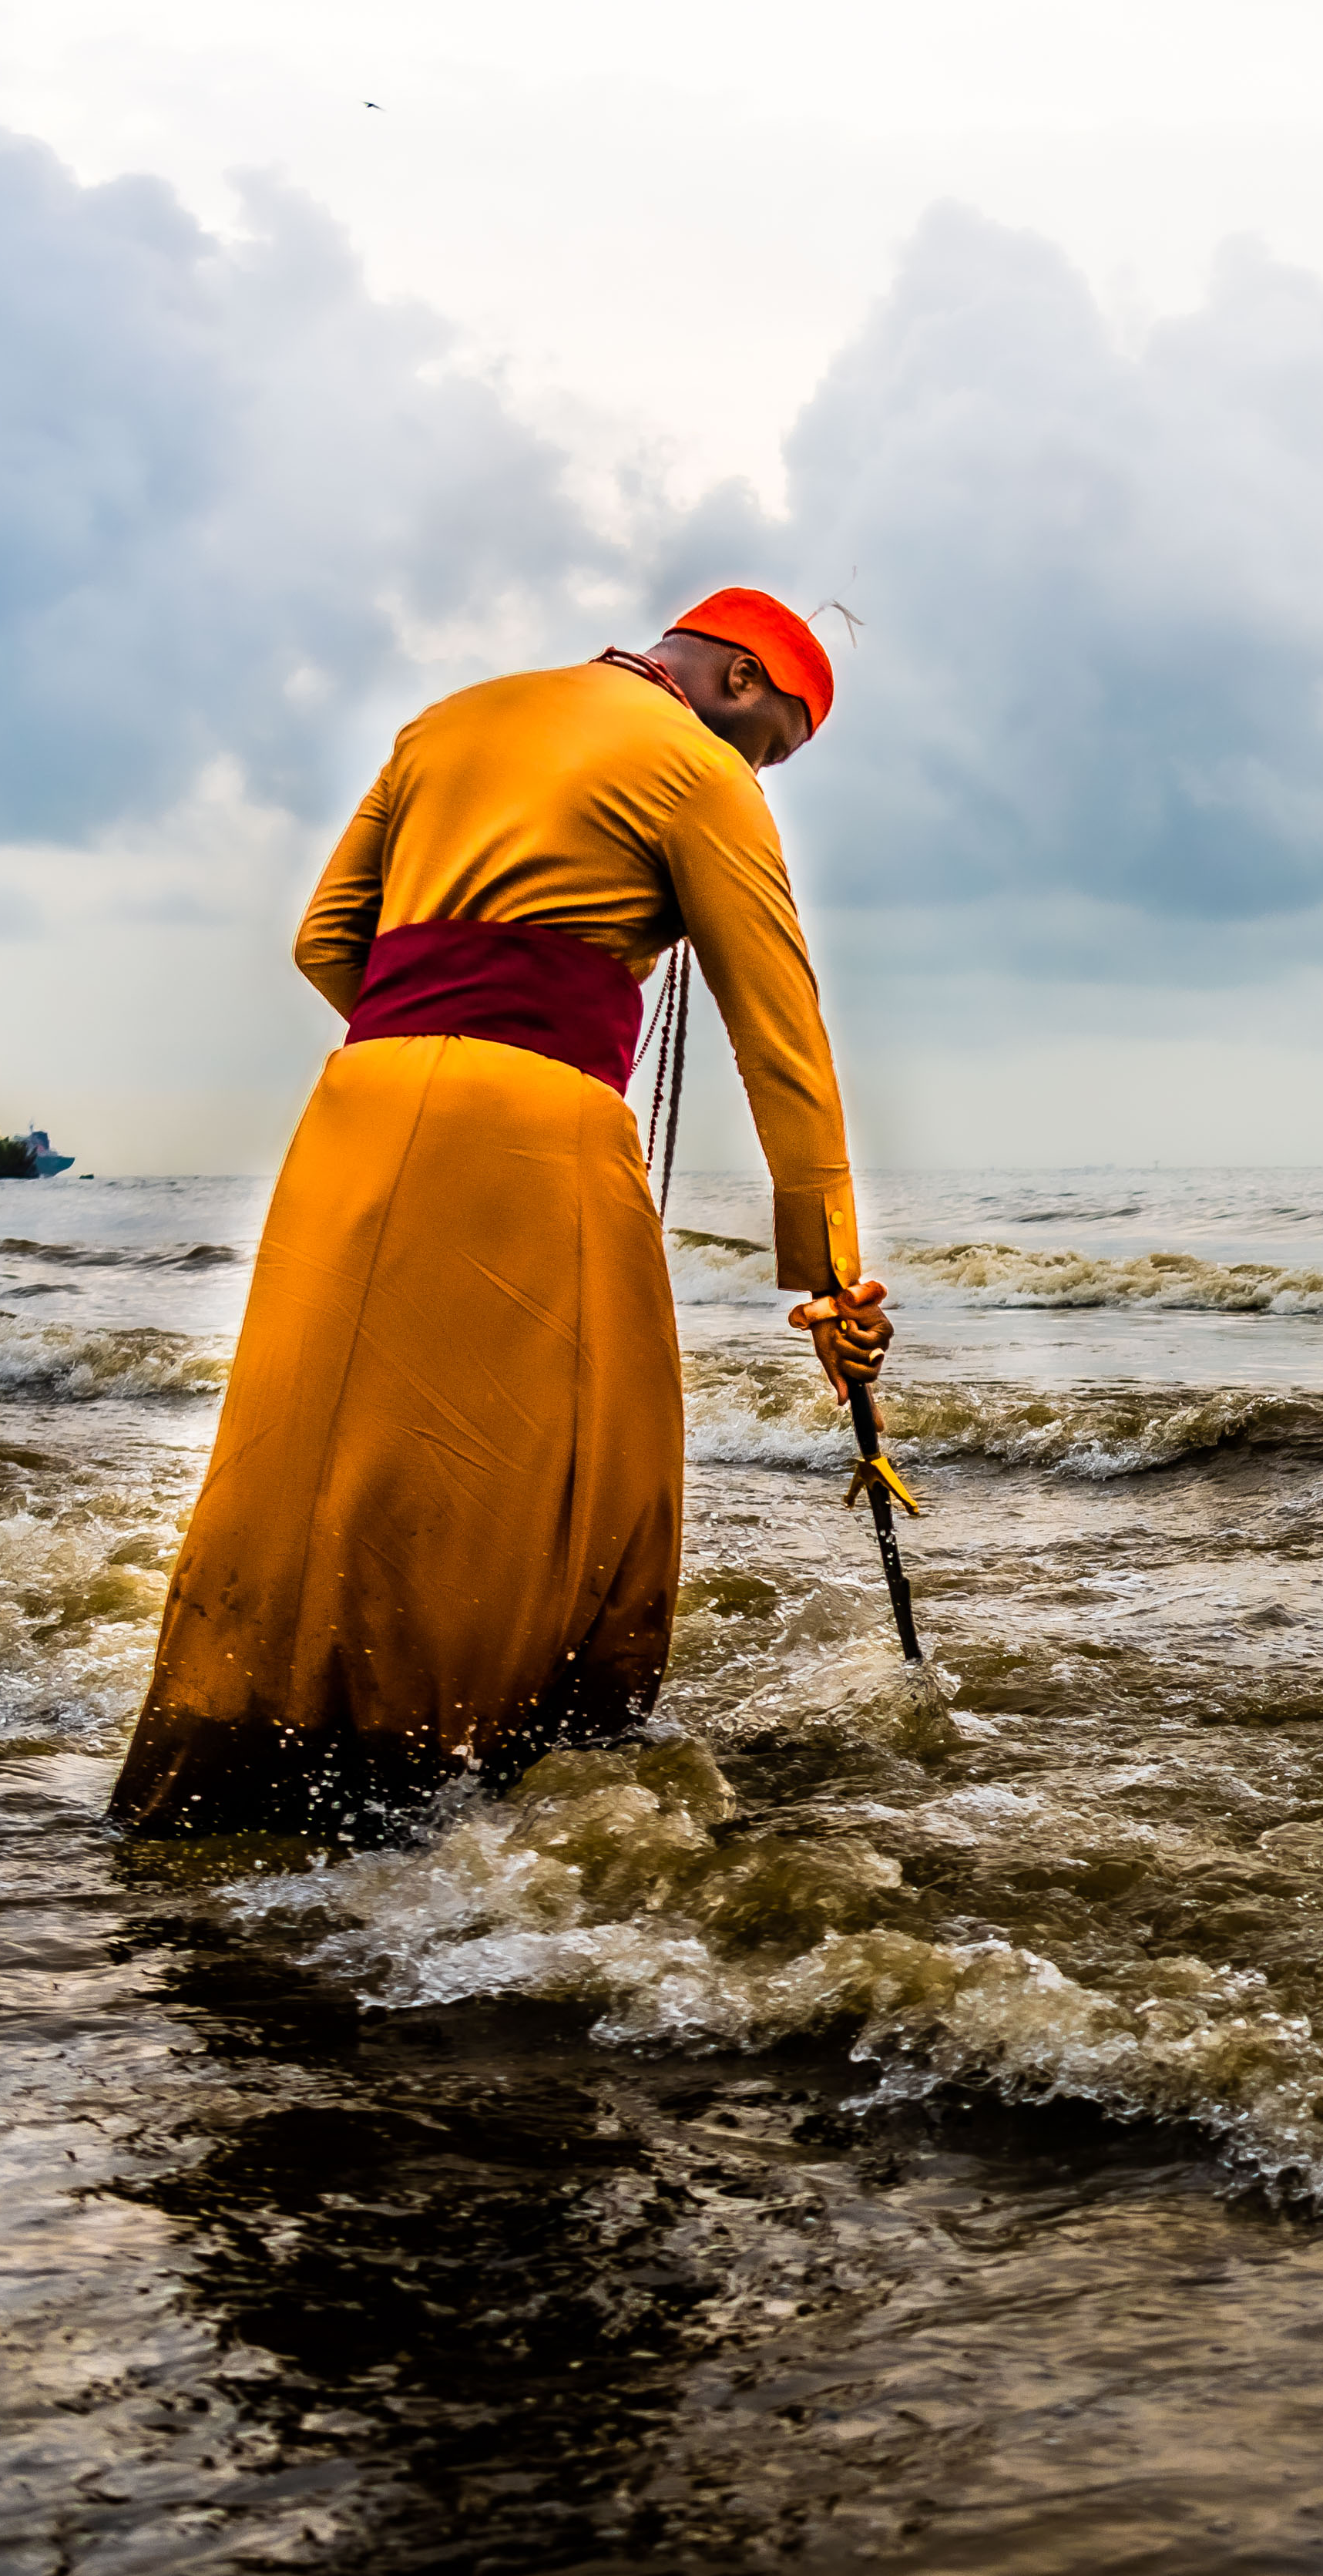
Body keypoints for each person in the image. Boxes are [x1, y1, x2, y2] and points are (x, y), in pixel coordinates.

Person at [112, 590, 895, 1838]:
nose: (762, 774)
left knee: (312, 1457)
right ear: (743, 682)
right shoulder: (698, 767)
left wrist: (435, 1031)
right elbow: (782, 1037)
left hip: (355, 1113)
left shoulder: (443, 723)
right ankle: (471, 1804)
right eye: (775, 750)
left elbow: (328, 942)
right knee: (590, 1473)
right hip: (535, 1128)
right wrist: (830, 1279)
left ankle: (246, 1774)